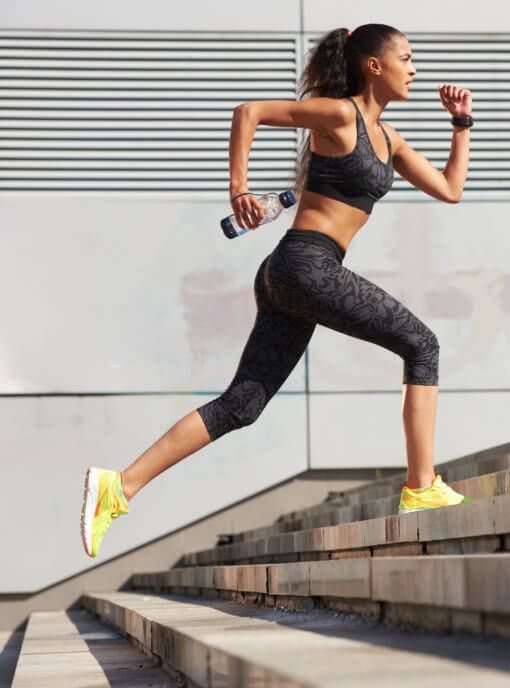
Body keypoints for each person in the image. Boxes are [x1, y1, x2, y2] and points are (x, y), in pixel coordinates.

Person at [81, 24, 474, 558]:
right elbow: (249, 112)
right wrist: (238, 187)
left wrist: (460, 123)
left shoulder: (392, 140)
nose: (415, 68)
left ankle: (119, 486)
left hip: (293, 272)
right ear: (374, 66)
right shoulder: (339, 116)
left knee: (242, 405)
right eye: (406, 57)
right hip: (306, 264)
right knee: (421, 344)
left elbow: (450, 190)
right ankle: (422, 485)